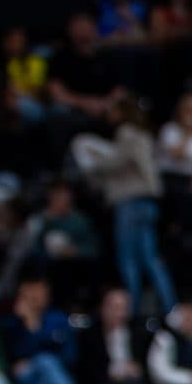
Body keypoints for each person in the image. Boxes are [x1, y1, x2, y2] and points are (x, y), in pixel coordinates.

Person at [74, 92, 175, 313]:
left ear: (121, 112)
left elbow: (117, 161)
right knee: (150, 258)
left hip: (130, 202)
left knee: (128, 259)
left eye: (113, 111)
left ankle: (131, 311)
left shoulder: (127, 133)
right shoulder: (144, 134)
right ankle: (170, 308)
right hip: (148, 202)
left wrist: (94, 161)